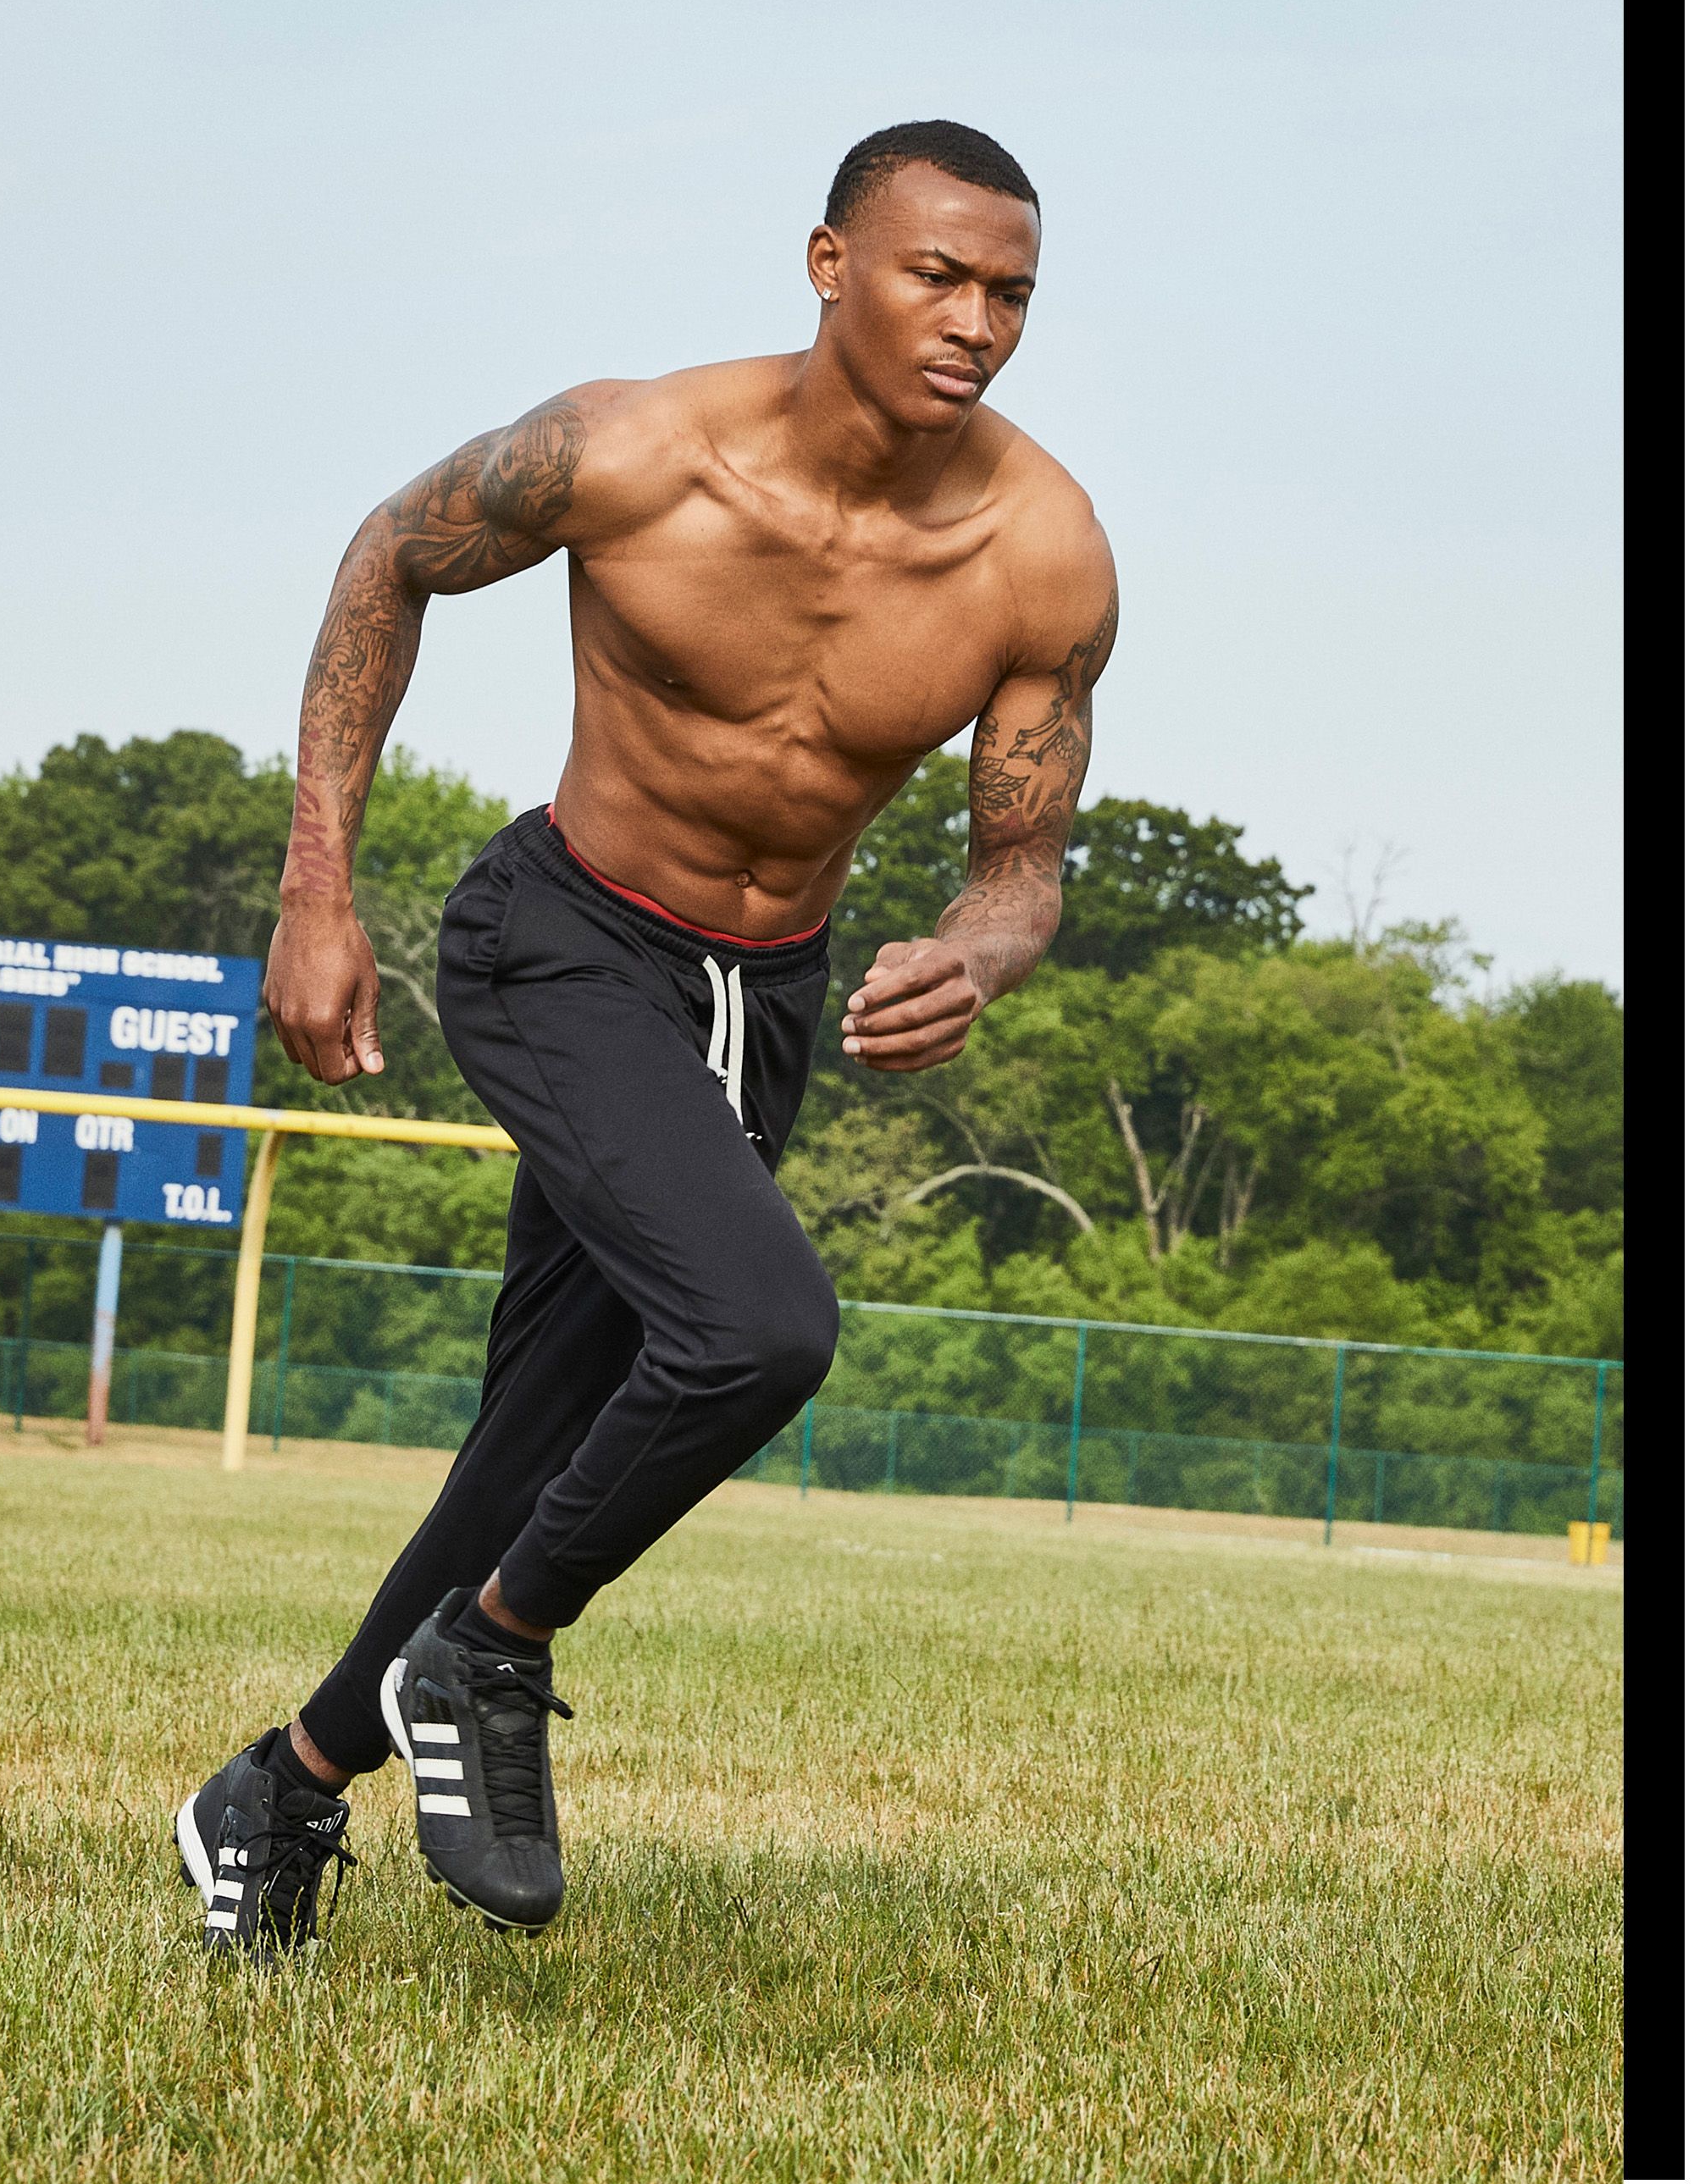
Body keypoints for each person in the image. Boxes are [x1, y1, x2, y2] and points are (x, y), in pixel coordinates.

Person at [174, 119, 1118, 1953]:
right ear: (832, 261)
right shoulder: (633, 450)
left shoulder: (1041, 548)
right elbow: (391, 557)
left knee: (539, 1442)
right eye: (939, 273)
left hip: (759, 1001)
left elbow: (1026, 858)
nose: (978, 321)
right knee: (762, 1325)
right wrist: (317, 886)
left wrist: (984, 949)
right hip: (564, 946)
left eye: (1011, 291)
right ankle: (494, 1653)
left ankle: (278, 1789)